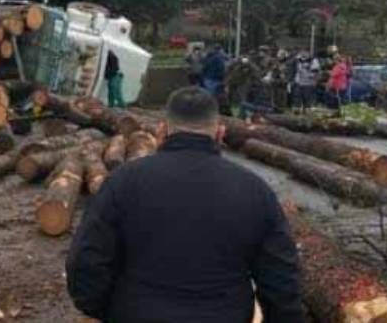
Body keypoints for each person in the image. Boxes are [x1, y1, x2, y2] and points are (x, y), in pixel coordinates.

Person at [67, 86, 304, 323]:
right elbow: (281, 280)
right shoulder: (255, 190)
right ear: (220, 134)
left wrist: (107, 310)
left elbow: (85, 262)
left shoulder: (122, 182)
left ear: (161, 131)